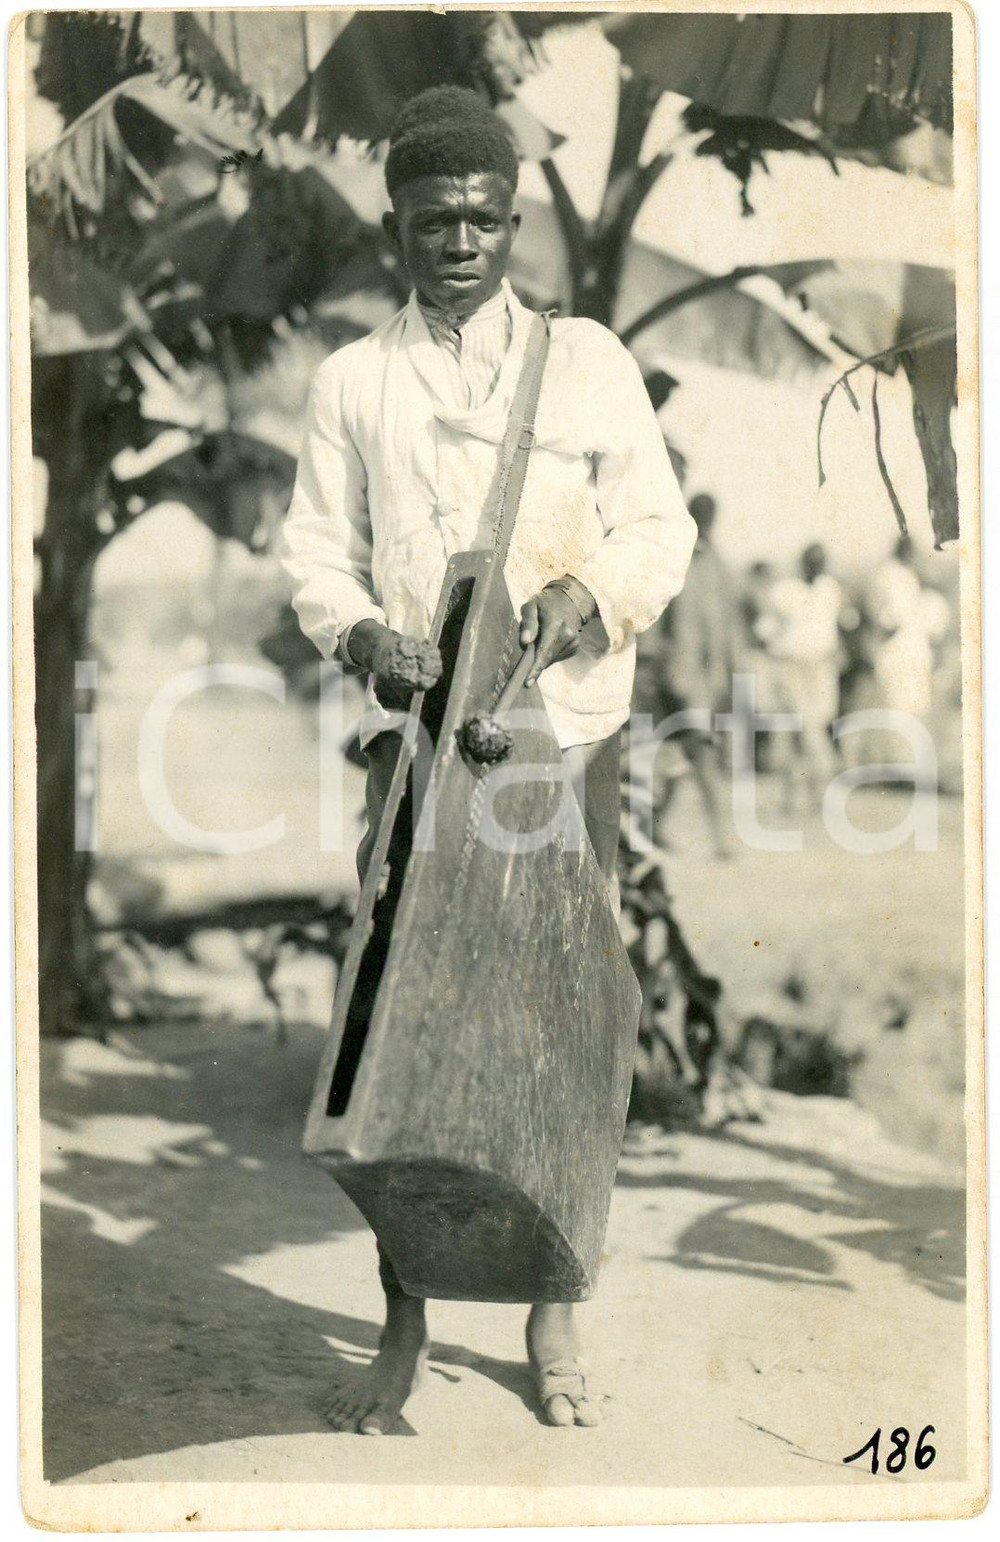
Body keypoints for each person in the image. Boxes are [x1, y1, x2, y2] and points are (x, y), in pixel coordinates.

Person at [280, 86, 697, 1434]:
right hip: (413, 744)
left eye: (479, 220)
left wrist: (586, 601)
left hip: (552, 735)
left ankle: (552, 1305)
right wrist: (365, 641)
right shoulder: (354, 380)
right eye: (429, 222)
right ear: (396, 230)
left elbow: (659, 530)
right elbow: (314, 559)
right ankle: (400, 1315)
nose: (457, 241)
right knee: (399, 1028)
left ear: (512, 224)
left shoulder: (587, 364)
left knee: (554, 1023)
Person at [653, 493, 739, 859]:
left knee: (683, 752)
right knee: (697, 752)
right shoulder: (677, 556)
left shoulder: (715, 562)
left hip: (708, 678)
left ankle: (654, 824)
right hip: (681, 674)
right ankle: (721, 839)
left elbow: (725, 623)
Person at [762, 542, 845, 812]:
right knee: (798, 731)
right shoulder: (784, 591)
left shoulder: (830, 590)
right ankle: (794, 796)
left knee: (813, 729)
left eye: (819, 562)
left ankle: (816, 795)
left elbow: (832, 630)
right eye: (811, 561)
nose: (815, 567)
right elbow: (766, 629)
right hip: (791, 666)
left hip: (820, 667)